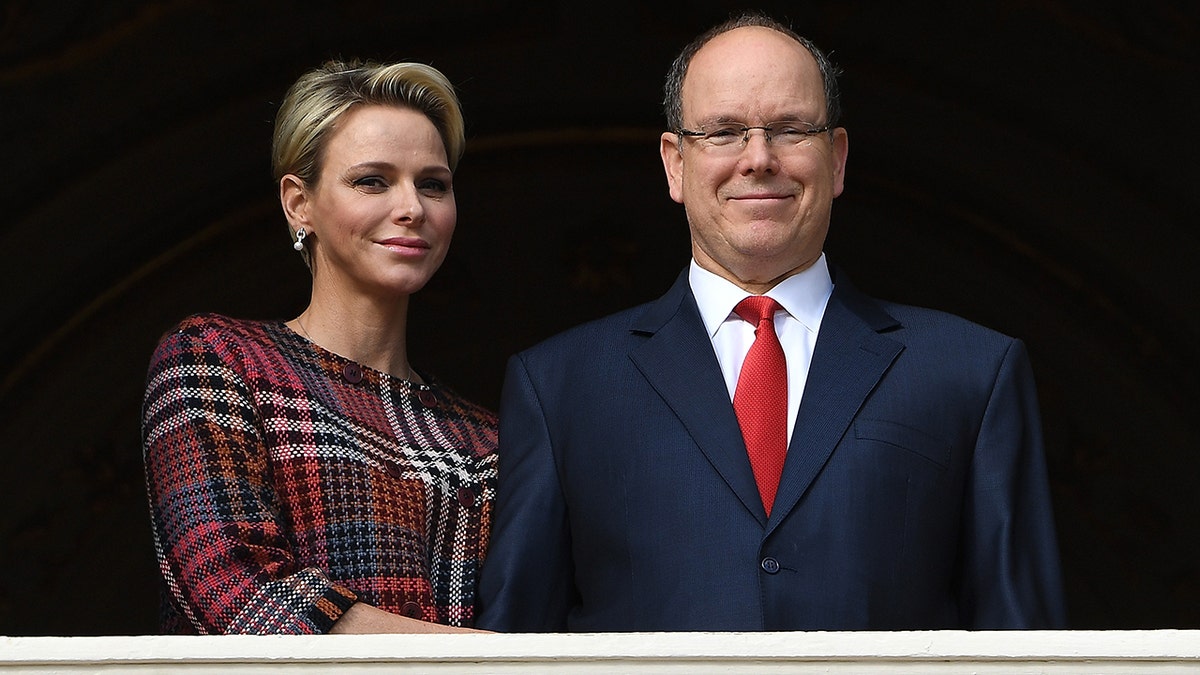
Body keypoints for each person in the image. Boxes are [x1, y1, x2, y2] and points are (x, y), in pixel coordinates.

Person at [477, 12, 1066, 631]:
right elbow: (516, 649)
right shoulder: (560, 385)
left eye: (790, 129)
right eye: (725, 132)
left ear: (836, 159)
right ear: (675, 163)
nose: (758, 159)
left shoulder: (971, 371)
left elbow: (1025, 645)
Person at [142, 60, 498, 634]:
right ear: (298, 203)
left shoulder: (488, 441)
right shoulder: (215, 359)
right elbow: (236, 589)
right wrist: (490, 657)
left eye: (433, 184)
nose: (412, 207)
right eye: (371, 180)